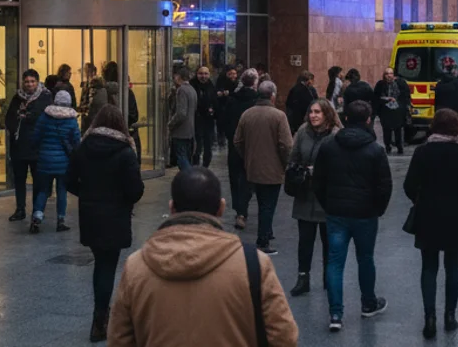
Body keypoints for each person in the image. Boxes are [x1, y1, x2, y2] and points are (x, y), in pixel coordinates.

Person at [107, 167, 298, 347]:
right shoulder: (253, 265)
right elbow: (284, 337)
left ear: (172, 208)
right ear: (221, 208)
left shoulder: (136, 267)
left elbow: (119, 339)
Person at [67, 105, 146, 342]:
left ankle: (100, 315)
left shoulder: (83, 147)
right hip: (115, 215)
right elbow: (135, 190)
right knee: (107, 265)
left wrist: (89, 195)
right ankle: (100, 319)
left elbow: (69, 181)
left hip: (91, 214)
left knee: (101, 263)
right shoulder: (125, 151)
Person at [313, 100, 392, 331]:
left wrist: (328, 204)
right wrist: (378, 209)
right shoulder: (375, 150)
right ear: (368, 120)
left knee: (335, 262)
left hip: (337, 212)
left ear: (345, 118)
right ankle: (368, 303)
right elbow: (384, 186)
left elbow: (318, 181)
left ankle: (335, 314)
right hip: (365, 214)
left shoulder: (329, 145)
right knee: (365, 258)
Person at [403, 109, 458, 337]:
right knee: (453, 266)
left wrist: (421, 199)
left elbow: (409, 185)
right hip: (456, 216)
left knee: (429, 267)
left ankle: (429, 318)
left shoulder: (422, 152)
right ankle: (450, 315)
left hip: (428, 214)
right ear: (457, 127)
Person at [234, 80, 294, 255]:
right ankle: (263, 240)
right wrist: (286, 163)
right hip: (273, 169)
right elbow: (286, 145)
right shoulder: (279, 116)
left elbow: (237, 141)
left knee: (261, 202)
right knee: (268, 204)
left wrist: (247, 157)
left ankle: (266, 232)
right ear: (273, 96)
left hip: (252, 167)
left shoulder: (247, 114)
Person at [288, 99, 341, 297]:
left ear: (327, 114)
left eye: (318, 112)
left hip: (326, 196)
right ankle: (303, 278)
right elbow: (293, 157)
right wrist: (296, 170)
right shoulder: (303, 131)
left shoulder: (336, 135)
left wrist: (317, 171)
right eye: (311, 112)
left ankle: (329, 278)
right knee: (305, 241)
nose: (313, 115)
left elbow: (339, 164)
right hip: (304, 194)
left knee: (329, 241)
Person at [30, 89, 81, 233]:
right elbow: (76, 141)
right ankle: (60, 220)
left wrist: (37, 150)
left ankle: (37, 216)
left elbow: (36, 136)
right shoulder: (71, 120)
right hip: (63, 162)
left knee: (43, 190)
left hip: (44, 160)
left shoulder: (45, 117)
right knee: (62, 190)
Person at [5, 69, 51, 223]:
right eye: (27, 81)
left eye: (32, 81)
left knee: (38, 180)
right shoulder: (17, 98)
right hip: (19, 147)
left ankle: (37, 210)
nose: (29, 84)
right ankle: (20, 209)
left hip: (37, 146)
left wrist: (28, 116)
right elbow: (9, 119)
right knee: (19, 179)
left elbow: (44, 118)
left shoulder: (45, 97)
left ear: (37, 82)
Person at [222, 69, 260, 229]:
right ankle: (243, 210)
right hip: (253, 146)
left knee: (235, 177)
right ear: (255, 82)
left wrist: (231, 138)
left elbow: (225, 122)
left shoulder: (232, 100)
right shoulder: (257, 101)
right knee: (248, 178)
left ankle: (239, 210)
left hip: (234, 145)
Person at [374, 67, 411, 154]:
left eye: (390, 73)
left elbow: (406, 96)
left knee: (398, 129)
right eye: (387, 74)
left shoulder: (401, 83)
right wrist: (386, 100)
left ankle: (399, 146)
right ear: (384, 75)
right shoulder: (380, 84)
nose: (389, 76)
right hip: (385, 110)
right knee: (387, 130)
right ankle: (388, 146)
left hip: (398, 110)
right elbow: (376, 97)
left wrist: (404, 108)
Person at [169, 67, 198, 171]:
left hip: (181, 131)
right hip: (190, 130)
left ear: (178, 77)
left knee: (182, 158)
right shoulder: (192, 89)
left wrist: (171, 124)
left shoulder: (181, 90)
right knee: (186, 157)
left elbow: (181, 113)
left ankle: (189, 180)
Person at [192, 65, 219, 167]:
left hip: (209, 122)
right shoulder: (192, 86)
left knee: (208, 147)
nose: (203, 76)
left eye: (206, 74)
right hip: (196, 121)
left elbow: (215, 102)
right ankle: (195, 167)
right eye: (201, 73)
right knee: (197, 147)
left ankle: (205, 167)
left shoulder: (211, 86)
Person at [284, 70, 317, 136]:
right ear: (307, 80)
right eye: (311, 80)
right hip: (301, 118)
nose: (313, 82)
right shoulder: (302, 89)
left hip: (298, 118)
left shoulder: (297, 88)